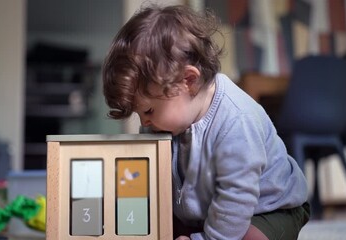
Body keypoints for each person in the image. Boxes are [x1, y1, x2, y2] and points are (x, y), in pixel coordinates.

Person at [102, 4, 310, 240]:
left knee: (249, 237)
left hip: (267, 209)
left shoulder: (236, 120)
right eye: (140, 114)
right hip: (204, 211)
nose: (145, 123)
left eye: (149, 110)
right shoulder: (168, 120)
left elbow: (236, 198)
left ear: (188, 81)